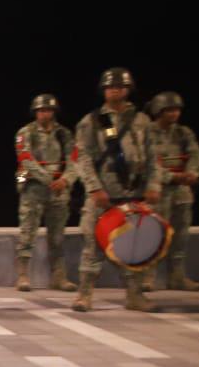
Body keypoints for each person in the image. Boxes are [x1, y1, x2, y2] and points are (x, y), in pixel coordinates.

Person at [71, 67, 165, 313]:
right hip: (103, 195)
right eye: (111, 87)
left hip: (133, 193)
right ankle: (84, 294)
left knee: (133, 246)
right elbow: (82, 158)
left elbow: (155, 157)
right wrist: (94, 189)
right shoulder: (91, 122)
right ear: (103, 91)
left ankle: (134, 295)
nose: (116, 90)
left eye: (121, 87)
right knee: (93, 246)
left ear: (128, 89)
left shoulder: (142, 121)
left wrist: (154, 186)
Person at [13, 93, 77, 292]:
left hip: (58, 190)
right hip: (33, 188)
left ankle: (58, 276)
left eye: (48, 110)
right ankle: (23, 275)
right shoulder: (25, 132)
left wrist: (66, 179)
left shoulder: (64, 134)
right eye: (41, 110)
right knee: (27, 232)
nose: (45, 114)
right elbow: (25, 159)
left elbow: (75, 159)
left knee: (57, 236)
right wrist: (49, 179)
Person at [146, 92, 199, 291]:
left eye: (176, 110)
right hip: (158, 190)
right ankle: (148, 277)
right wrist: (170, 177)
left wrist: (192, 173)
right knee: (154, 235)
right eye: (169, 110)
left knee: (180, 236)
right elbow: (148, 163)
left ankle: (177, 276)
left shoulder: (183, 133)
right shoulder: (148, 133)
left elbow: (196, 155)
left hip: (182, 191)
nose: (174, 114)